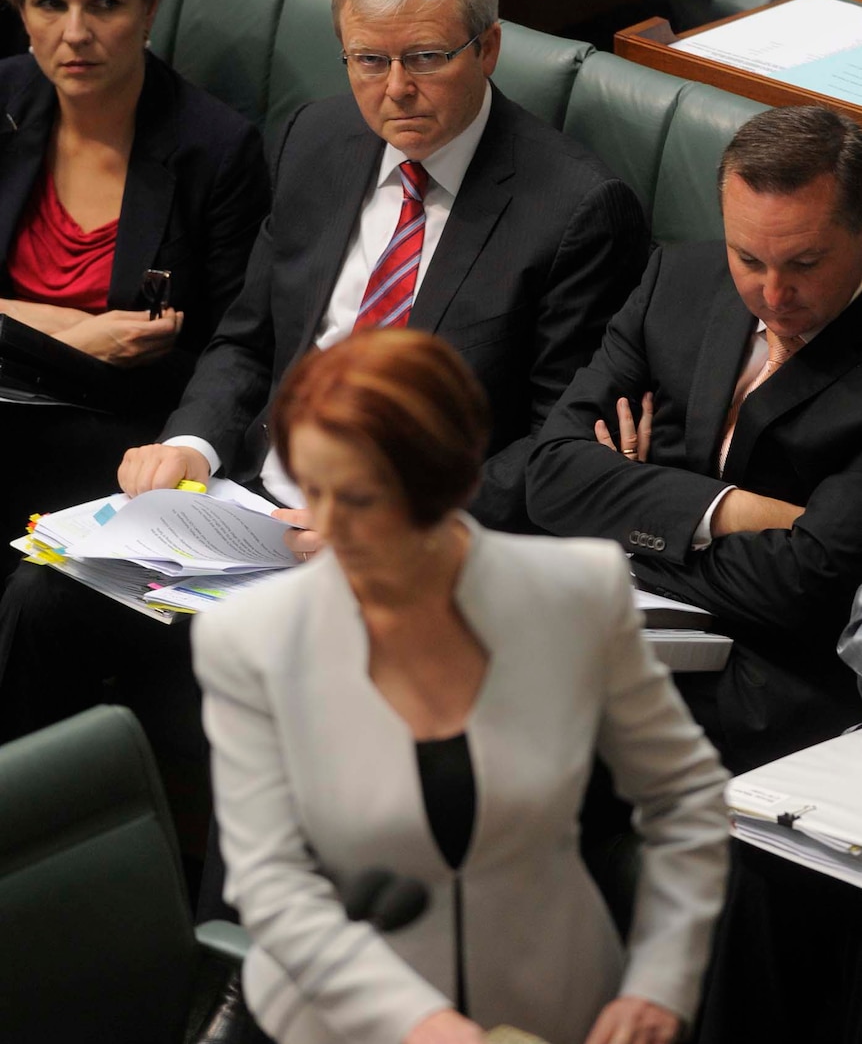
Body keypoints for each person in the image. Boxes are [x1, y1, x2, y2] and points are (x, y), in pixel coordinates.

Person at [192, 328, 729, 1044]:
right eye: (310, 489)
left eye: (357, 499)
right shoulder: (249, 638)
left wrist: (661, 980)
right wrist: (425, 1025)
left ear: (449, 486)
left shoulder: (577, 595)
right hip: (332, 1013)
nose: (322, 528)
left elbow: (685, 798)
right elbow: (272, 883)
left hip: (551, 1005)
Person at [116, 0, 649, 537]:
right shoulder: (315, 139)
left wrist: (398, 524)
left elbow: (557, 440)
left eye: (426, 57)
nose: (396, 89)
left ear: (488, 48)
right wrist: (192, 443)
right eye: (369, 60)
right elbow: (250, 339)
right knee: (43, 595)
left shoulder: (577, 210)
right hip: (255, 504)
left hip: (411, 540)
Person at [526, 104, 862, 777]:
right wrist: (728, 511)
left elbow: (807, 586)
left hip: (774, 676)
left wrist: (626, 505)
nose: (772, 292)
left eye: (803, 261)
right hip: (624, 619)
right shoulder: (676, 283)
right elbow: (553, 475)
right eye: (748, 257)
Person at [0, 0, 270, 572]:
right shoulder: (2, 101)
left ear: (150, 6)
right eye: (49, 4)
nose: (75, 33)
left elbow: (219, 339)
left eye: (104, 4)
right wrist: (81, 332)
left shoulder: (215, 148)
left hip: (116, 432)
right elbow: (110, 331)